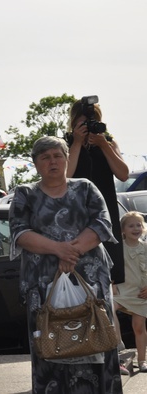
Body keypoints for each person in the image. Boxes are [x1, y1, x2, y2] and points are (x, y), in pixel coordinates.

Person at [9, 136, 121, 393]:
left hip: (90, 281)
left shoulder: (86, 188)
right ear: (35, 163)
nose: (52, 161)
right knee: (50, 347)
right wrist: (60, 249)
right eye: (45, 157)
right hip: (44, 284)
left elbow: (103, 224)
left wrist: (72, 252)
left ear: (67, 159)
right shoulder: (25, 194)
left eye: (57, 156)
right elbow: (19, 233)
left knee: (98, 340)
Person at [66, 98, 129, 284]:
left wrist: (104, 146)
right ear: (74, 122)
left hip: (106, 209)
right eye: (83, 122)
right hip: (78, 211)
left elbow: (123, 174)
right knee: (81, 271)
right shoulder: (66, 143)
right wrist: (77, 143)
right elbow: (66, 175)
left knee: (109, 271)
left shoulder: (108, 142)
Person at [113, 211, 147, 373]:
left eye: (139, 225)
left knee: (139, 327)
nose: (136, 228)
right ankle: (118, 341)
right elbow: (111, 267)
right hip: (123, 291)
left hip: (141, 293)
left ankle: (142, 360)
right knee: (109, 308)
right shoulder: (118, 247)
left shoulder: (145, 247)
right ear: (122, 230)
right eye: (131, 225)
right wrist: (112, 283)